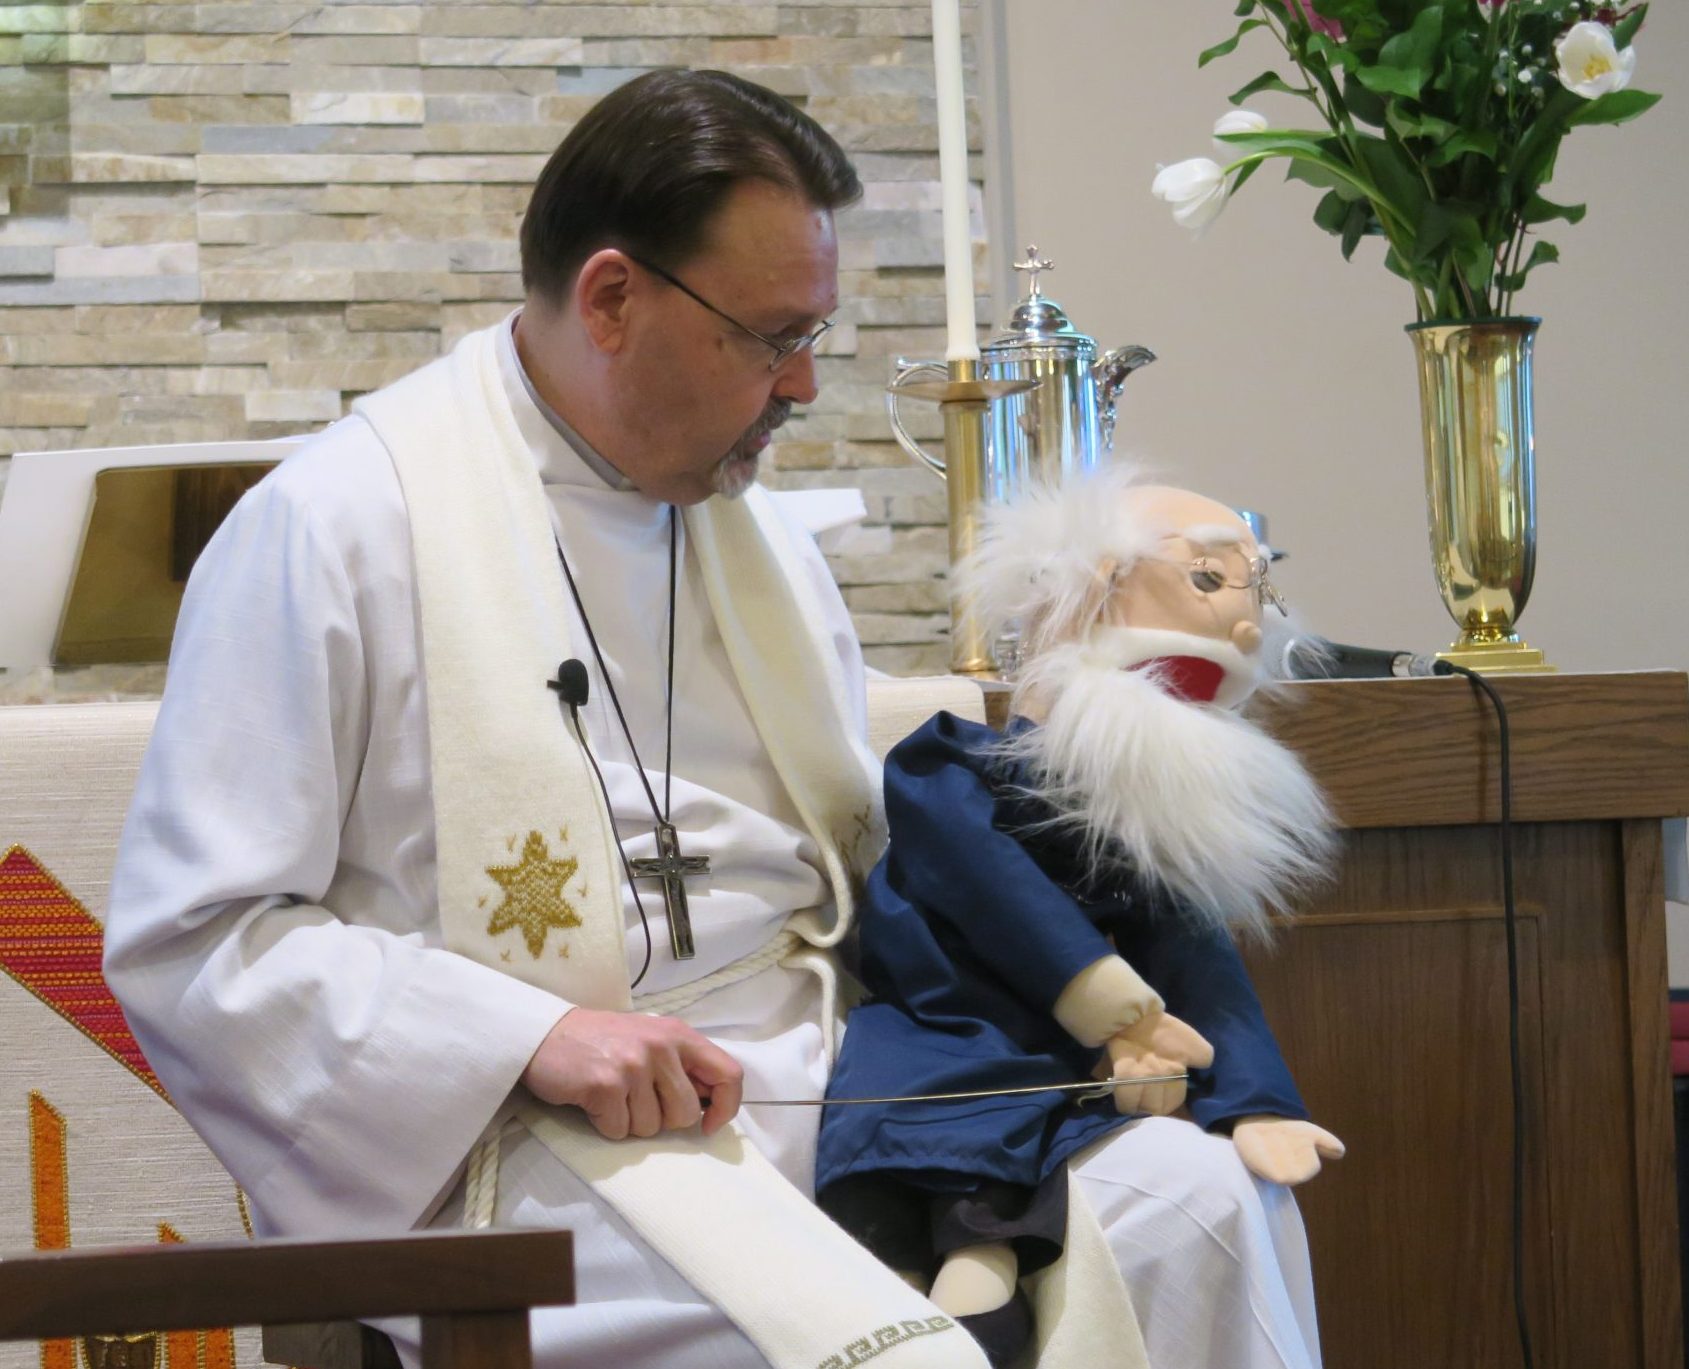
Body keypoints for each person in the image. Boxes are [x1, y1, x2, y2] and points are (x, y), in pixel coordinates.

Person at [104, 69, 1326, 1369]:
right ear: (612, 298)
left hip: (840, 1078)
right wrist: (531, 1035)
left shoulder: (761, 541)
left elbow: (871, 861)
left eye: (815, 335)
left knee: (1201, 1201)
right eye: (771, 337)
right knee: (907, 1356)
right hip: (542, 1140)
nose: (803, 386)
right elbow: (200, 942)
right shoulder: (338, 526)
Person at [815, 474, 1345, 1366]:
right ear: (1094, 586)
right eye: (1206, 580)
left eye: (1252, 588)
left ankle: (974, 1283)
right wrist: (1114, 1005)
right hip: (933, 1027)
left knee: (1015, 1188)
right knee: (921, 1164)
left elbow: (1192, 951)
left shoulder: (1135, 821)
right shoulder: (945, 767)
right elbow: (991, 889)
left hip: (1050, 1056)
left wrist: (1256, 1100)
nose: (1247, 625)